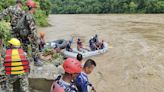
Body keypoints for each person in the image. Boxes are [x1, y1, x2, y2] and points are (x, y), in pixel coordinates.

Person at [17, 0, 42, 66]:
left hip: (24, 34)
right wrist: (37, 39)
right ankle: (36, 60)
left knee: (25, 47)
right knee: (34, 44)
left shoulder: (26, 14)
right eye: (35, 8)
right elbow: (32, 29)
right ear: (32, 8)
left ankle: (25, 60)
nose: (35, 9)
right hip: (27, 34)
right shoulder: (29, 16)